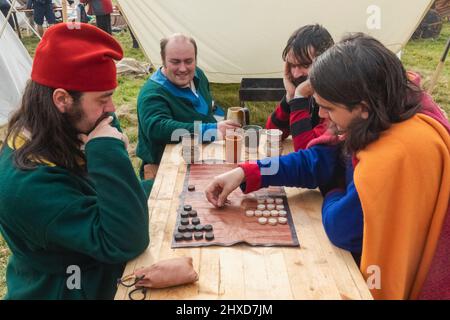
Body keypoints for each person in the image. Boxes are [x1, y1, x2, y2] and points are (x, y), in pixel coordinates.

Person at [205, 33, 450, 300]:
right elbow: (318, 161)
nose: (321, 116)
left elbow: (342, 228)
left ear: (362, 107)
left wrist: (332, 190)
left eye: (328, 108)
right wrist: (247, 172)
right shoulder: (386, 110)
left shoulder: (395, 154)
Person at [0, 23, 149, 299]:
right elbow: (127, 239)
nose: (112, 109)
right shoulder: (27, 183)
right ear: (62, 99)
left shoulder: (71, 123)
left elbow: (114, 201)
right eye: (103, 99)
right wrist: (107, 150)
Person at [136, 33, 240, 178]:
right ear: (163, 60)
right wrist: (211, 130)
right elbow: (157, 128)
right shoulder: (153, 93)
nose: (183, 68)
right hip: (167, 170)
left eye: (188, 61)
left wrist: (218, 124)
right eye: (175, 62)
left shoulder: (198, 75)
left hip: (203, 160)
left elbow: (207, 110)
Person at [266, 24, 334, 151]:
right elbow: (273, 134)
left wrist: (299, 98)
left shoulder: (336, 99)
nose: (296, 74)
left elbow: (306, 150)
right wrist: (290, 97)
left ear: (325, 62)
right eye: (292, 65)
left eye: (305, 65)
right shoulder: (307, 90)